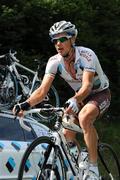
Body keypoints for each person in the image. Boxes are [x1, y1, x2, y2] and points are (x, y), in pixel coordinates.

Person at [13, 20, 111, 179]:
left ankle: (93, 169)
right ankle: (81, 166)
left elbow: (87, 86)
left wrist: (74, 98)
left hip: (99, 93)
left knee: (85, 117)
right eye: (54, 40)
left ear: (72, 39)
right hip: (79, 97)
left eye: (62, 39)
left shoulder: (86, 55)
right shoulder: (54, 62)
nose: (58, 43)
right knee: (66, 133)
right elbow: (42, 90)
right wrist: (25, 104)